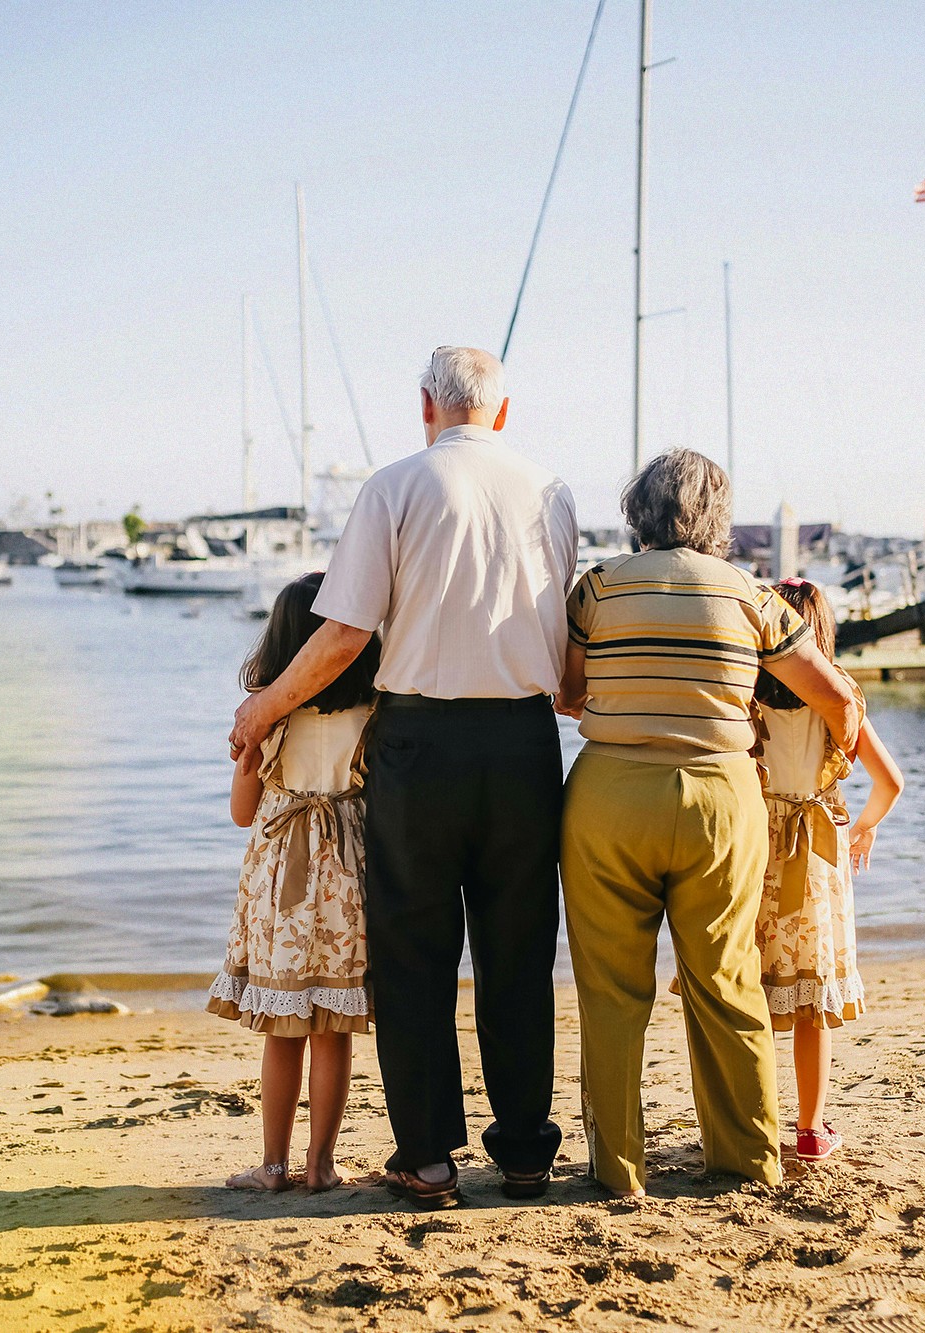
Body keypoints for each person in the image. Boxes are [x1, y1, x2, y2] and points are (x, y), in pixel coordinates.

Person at [228, 347, 576, 1209]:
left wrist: (264, 707)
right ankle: (527, 1153)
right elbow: (566, 653)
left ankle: (426, 1159)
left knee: (417, 957)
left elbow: (343, 635)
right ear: (503, 409)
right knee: (518, 951)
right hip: (526, 742)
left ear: (426, 403)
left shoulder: (393, 486)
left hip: (418, 742)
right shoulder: (553, 491)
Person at [556, 449, 864, 1199]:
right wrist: (832, 771)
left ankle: (618, 1166)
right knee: (727, 983)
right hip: (722, 804)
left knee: (611, 991)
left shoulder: (595, 588)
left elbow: (566, 693)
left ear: (640, 510)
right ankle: (745, 1159)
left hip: (609, 798)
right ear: (718, 519)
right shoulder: (753, 597)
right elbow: (839, 701)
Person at [208, 571, 382, 1193]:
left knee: (283, 1031)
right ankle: (322, 1166)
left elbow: (241, 813)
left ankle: (274, 1165)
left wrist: (252, 761)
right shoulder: (374, 708)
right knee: (333, 1029)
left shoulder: (268, 718)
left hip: (282, 871)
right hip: (348, 870)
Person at [750, 576, 902, 1164]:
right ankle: (811, 1131)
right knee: (812, 1007)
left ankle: (753, 1123)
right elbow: (891, 782)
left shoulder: (747, 698)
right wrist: (863, 828)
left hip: (758, 848)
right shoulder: (841, 701)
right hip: (817, 856)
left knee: (753, 995)